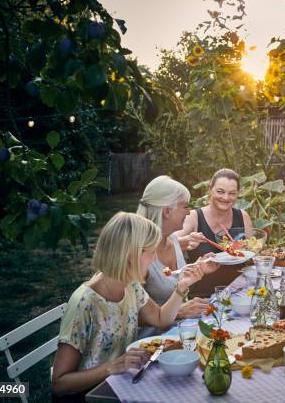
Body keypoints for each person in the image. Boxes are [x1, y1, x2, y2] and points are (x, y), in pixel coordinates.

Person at [51, 212, 204, 398]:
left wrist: (181, 288)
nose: (155, 258)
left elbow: (160, 319)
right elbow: (59, 383)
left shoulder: (130, 285)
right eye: (151, 251)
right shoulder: (85, 302)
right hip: (93, 395)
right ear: (131, 254)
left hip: (124, 383)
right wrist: (112, 367)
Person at [136, 175, 220, 337]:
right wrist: (179, 312)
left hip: (183, 331)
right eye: (185, 207)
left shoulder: (172, 239)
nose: (189, 212)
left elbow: (175, 280)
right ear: (167, 211)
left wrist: (198, 267)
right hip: (154, 343)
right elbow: (126, 315)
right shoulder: (140, 254)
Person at [178, 168, 254, 297]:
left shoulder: (243, 216)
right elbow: (169, 242)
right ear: (210, 189)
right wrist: (186, 240)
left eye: (232, 193)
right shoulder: (194, 217)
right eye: (220, 191)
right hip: (202, 297)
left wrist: (248, 249)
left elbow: (252, 255)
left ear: (237, 194)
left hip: (239, 294)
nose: (225, 197)